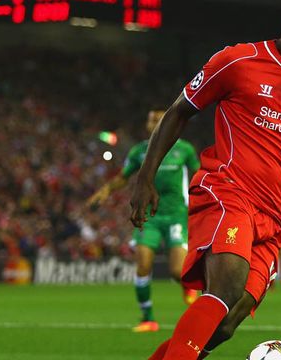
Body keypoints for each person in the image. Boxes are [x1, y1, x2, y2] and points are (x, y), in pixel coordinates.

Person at [129, 0, 281, 360]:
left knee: (226, 324)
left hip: (272, 217)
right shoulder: (239, 60)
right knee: (224, 290)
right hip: (227, 192)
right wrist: (145, 176)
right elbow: (179, 111)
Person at [85, 109, 200, 332]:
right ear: (147, 126)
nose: (155, 122)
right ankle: (148, 318)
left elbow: (199, 175)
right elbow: (122, 178)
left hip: (176, 215)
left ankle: (186, 284)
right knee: (143, 265)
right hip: (149, 217)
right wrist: (104, 191)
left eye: (160, 118)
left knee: (178, 271)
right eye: (151, 120)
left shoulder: (184, 150)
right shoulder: (139, 152)